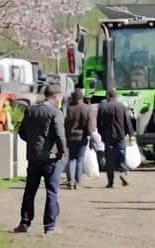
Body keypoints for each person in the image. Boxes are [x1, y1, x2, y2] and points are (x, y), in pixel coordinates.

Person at [15, 84, 68, 235]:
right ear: (56, 96)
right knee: (51, 191)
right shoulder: (55, 112)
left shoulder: (31, 110)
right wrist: (62, 152)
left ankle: (24, 222)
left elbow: (22, 132)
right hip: (51, 158)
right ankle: (50, 226)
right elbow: (59, 134)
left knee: (30, 190)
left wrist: (33, 144)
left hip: (33, 157)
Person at [97, 91, 134, 188]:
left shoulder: (103, 107)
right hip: (120, 136)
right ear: (116, 96)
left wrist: (102, 135)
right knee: (122, 155)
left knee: (109, 159)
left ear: (108, 96)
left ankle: (110, 182)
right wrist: (130, 133)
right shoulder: (121, 106)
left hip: (108, 137)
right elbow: (127, 121)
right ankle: (123, 172)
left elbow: (99, 123)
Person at [64, 90, 97, 189]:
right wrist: (91, 137)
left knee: (71, 158)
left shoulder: (70, 108)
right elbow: (90, 124)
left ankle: (71, 180)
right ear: (82, 97)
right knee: (80, 158)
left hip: (71, 137)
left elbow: (66, 123)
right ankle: (78, 181)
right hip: (82, 136)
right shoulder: (87, 108)